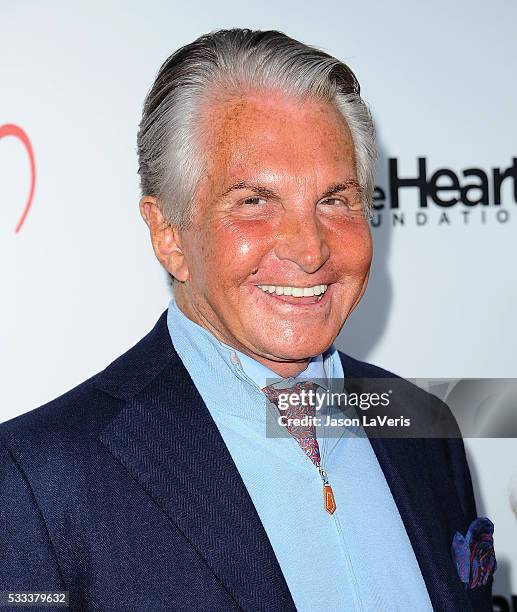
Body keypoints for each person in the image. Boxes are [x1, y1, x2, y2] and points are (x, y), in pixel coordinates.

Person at [0, 29, 494, 611]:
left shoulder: (421, 424)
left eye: (335, 200)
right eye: (254, 202)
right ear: (168, 234)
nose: (310, 250)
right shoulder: (37, 482)